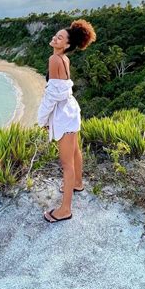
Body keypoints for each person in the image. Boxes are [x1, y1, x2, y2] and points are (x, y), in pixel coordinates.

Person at [37, 19, 97, 223]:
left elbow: (52, 96)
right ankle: (78, 183)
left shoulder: (54, 60)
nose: (55, 37)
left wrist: (42, 119)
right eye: (56, 35)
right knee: (75, 151)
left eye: (60, 37)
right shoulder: (63, 59)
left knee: (66, 163)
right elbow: (61, 91)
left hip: (64, 115)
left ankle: (65, 210)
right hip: (71, 110)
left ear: (67, 45)